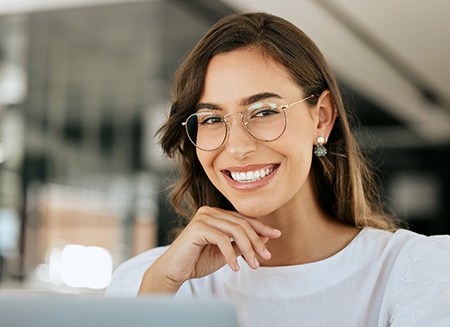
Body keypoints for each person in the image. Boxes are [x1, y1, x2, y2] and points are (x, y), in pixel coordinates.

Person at [106, 12, 450, 326]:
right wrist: (160, 289)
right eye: (211, 118)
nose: (237, 147)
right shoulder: (150, 281)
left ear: (322, 117)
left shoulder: (415, 273)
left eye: (264, 111)